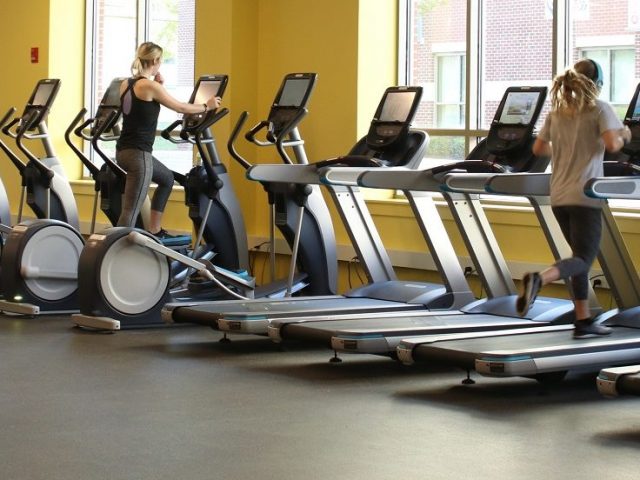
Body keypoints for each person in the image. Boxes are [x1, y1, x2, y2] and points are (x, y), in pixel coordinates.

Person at [516, 58, 632, 339]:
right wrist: (625, 134)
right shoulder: (599, 109)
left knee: (577, 258)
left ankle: (583, 320)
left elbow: (539, 147)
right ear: (597, 85)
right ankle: (539, 279)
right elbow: (612, 145)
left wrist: (566, 151)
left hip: (559, 195)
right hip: (586, 194)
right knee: (583, 257)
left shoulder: (558, 113)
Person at [116, 41, 221, 243]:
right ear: (155, 60)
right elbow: (180, 107)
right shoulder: (149, 85)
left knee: (166, 179)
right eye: (160, 61)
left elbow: (142, 106)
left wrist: (159, 86)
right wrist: (206, 106)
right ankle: (113, 253)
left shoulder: (126, 84)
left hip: (124, 152)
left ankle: (155, 230)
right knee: (130, 211)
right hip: (139, 155)